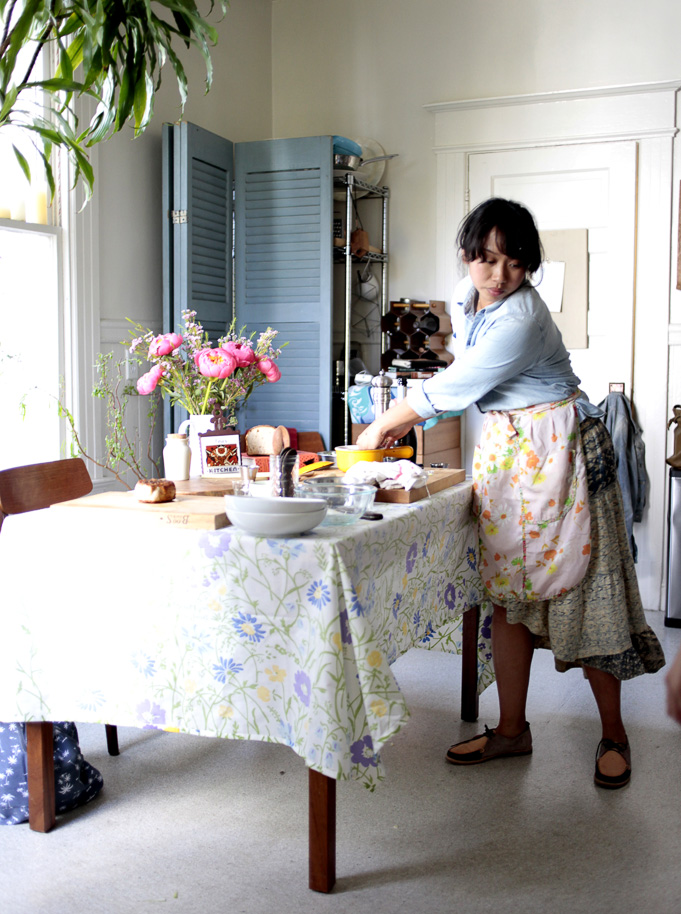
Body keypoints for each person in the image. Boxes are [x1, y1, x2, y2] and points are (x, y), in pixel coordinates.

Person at [357, 197, 665, 789]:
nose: (499, 275)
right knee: (507, 595)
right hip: (511, 453)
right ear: (466, 255)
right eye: (488, 260)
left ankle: (614, 735)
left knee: (587, 597)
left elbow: (456, 385)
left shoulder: (522, 318)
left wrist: (378, 428)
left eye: (516, 263)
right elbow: (461, 371)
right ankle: (511, 731)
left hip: (565, 454)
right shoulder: (465, 296)